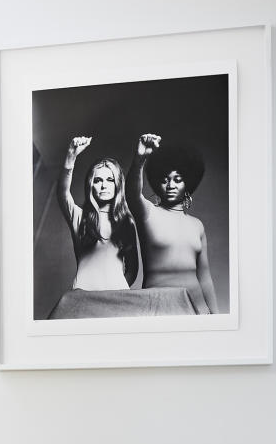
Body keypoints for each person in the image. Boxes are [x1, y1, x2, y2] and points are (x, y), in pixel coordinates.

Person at [126, 132, 218, 314]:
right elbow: (132, 194)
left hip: (196, 310)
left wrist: (216, 316)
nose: (170, 185)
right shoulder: (149, 213)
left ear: (188, 183)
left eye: (177, 179)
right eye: (164, 180)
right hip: (158, 308)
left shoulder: (197, 225)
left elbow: (204, 277)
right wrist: (139, 160)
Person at [56, 136, 138, 290]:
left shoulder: (126, 221)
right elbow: (62, 193)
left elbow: (133, 269)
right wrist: (70, 157)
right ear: (90, 185)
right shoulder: (79, 217)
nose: (104, 185)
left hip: (117, 299)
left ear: (117, 185)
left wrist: (118, 291)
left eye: (109, 180)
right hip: (82, 297)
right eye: (98, 180)